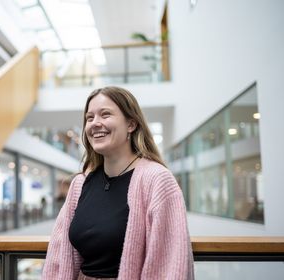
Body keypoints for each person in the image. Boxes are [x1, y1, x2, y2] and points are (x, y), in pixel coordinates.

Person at [42, 86, 194, 280]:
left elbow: (170, 264)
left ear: (131, 124)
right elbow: (59, 255)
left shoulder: (157, 180)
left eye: (105, 115)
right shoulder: (80, 184)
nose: (95, 123)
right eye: (90, 118)